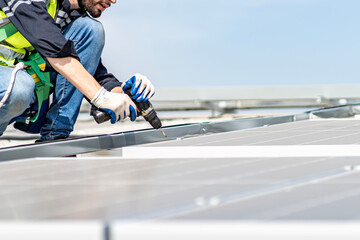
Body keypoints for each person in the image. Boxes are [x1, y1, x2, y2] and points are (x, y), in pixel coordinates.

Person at [0, 0, 155, 142]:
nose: (113, 1)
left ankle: (56, 136)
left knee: (90, 29)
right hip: (11, 86)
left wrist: (120, 92)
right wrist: (101, 97)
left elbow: (87, 73)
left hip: (22, 86)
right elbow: (51, 46)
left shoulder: (68, 14)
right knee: (19, 88)